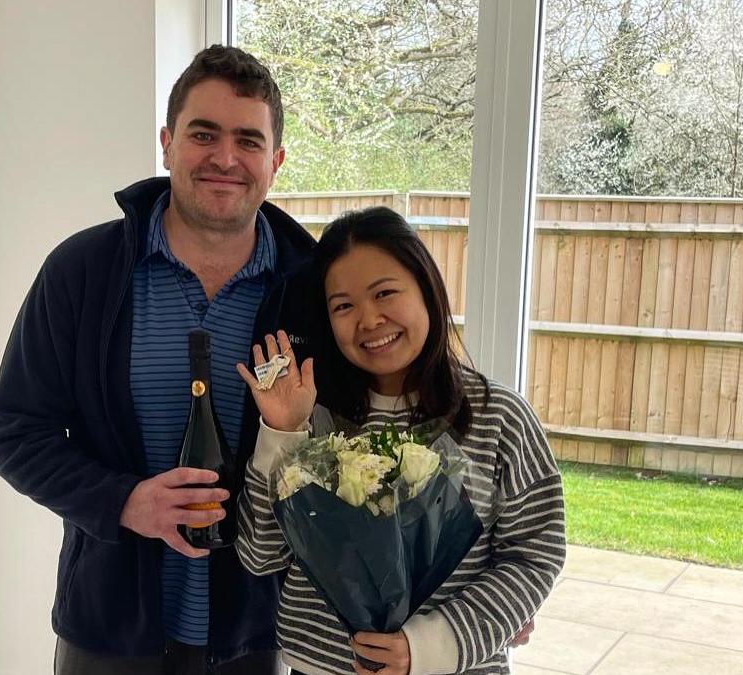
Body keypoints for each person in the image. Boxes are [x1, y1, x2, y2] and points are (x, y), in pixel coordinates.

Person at [0, 45, 319, 674]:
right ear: (167, 143)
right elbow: (14, 433)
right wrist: (122, 501)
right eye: (203, 133)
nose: (224, 158)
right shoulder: (82, 273)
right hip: (107, 628)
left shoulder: (313, 292)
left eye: (248, 140)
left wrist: (462, 579)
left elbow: (383, 431)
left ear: (274, 161)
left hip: (261, 630)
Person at [235, 207, 566, 675]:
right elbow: (259, 555)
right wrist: (282, 434)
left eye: (385, 293)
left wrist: (430, 645)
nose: (368, 320)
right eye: (343, 305)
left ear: (427, 288)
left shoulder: (498, 418)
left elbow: (534, 556)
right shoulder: (316, 418)